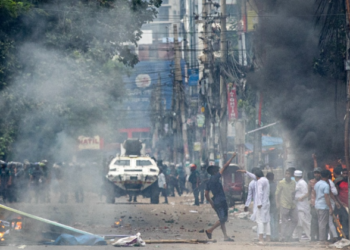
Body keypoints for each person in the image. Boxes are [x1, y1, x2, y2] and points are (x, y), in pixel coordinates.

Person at [204, 152, 236, 241]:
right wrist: (232, 157)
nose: (218, 171)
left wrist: (211, 203)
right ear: (214, 172)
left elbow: (206, 194)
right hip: (221, 200)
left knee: (222, 219)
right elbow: (225, 167)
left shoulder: (209, 181)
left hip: (215, 201)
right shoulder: (215, 177)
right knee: (223, 219)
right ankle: (210, 230)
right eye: (217, 170)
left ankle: (225, 236)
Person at [276, 169, 298, 242]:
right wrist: (277, 203)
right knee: (284, 221)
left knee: (295, 220)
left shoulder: (294, 182)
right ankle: (282, 237)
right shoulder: (281, 183)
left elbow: (294, 192)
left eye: (288, 174)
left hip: (292, 204)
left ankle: (289, 235)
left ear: (291, 175)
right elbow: (277, 193)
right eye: (286, 173)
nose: (287, 175)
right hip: (284, 204)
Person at [314, 170, 333, 242]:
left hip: (317, 205)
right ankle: (322, 239)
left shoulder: (317, 184)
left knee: (320, 222)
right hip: (323, 206)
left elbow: (315, 194)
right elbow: (326, 196)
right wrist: (330, 207)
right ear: (328, 176)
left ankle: (322, 238)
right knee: (323, 223)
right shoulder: (326, 185)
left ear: (321, 176)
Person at [294, 170, 311, 241]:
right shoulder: (299, 182)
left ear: (296, 176)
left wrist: (301, 198)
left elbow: (307, 193)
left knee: (304, 221)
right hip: (299, 205)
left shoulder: (302, 183)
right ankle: (297, 236)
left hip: (302, 205)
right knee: (299, 221)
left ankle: (309, 236)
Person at [335, 168, 349, 238]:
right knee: (344, 219)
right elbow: (336, 194)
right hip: (343, 205)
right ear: (342, 174)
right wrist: (340, 203)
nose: (345, 175)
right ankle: (345, 235)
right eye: (344, 173)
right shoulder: (338, 182)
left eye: (347, 173)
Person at [308, 168, 321, 241]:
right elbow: (309, 192)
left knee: (320, 222)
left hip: (321, 205)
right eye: (315, 173)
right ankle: (313, 237)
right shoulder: (311, 182)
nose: (317, 174)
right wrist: (309, 201)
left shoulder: (323, 182)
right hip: (313, 204)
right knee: (314, 221)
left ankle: (320, 237)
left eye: (318, 173)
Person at [266, 172, 278, 242]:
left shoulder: (267, 185)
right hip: (275, 205)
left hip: (270, 205)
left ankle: (273, 236)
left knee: (271, 221)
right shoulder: (276, 184)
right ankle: (276, 236)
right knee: (275, 220)